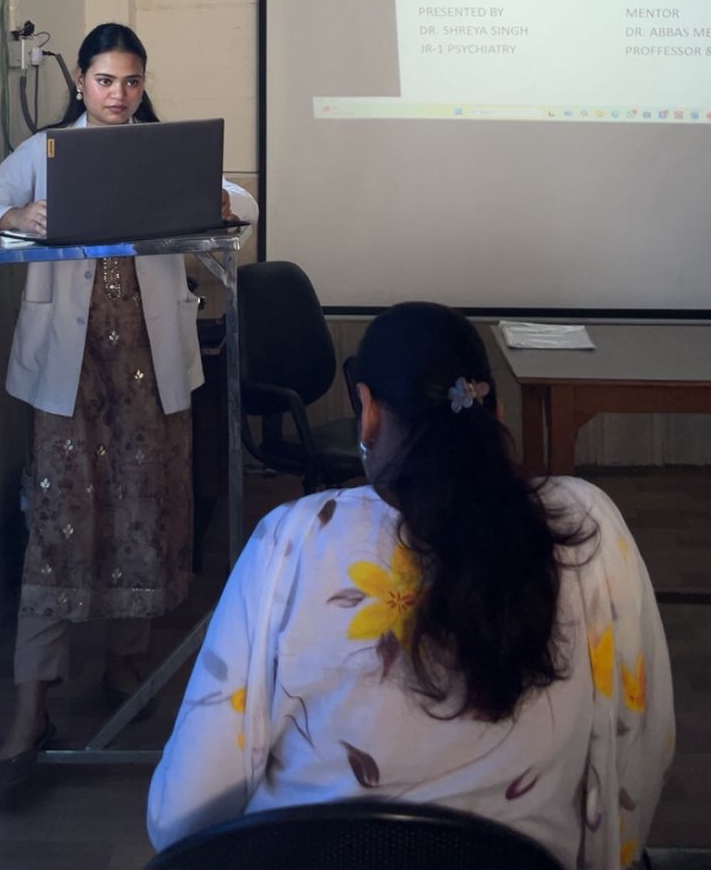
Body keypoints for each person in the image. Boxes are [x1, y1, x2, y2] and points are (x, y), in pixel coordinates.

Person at [147, 302, 673, 869]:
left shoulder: (291, 541)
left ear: (368, 413)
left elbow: (179, 817)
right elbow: (641, 760)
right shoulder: (588, 525)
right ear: (494, 412)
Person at [0, 22, 257, 786]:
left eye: (131, 81)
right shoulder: (45, 152)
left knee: (144, 512)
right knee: (57, 524)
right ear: (80, 82)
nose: (118, 95)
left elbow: (243, 208)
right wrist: (14, 218)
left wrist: (216, 196)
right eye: (104, 80)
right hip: (71, 374)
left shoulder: (164, 150)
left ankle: (125, 661)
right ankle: (31, 707)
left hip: (149, 369)